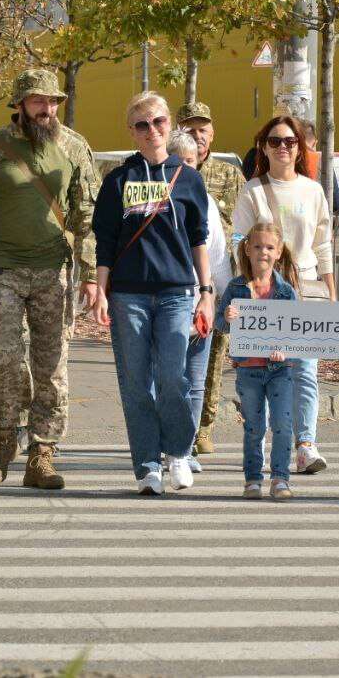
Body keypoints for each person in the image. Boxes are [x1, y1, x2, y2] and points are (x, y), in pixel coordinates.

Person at [0, 69, 99, 490]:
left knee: (52, 366)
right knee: (4, 360)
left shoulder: (74, 147)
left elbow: (87, 215)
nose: (47, 108)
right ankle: (3, 440)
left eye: (53, 101)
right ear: (19, 103)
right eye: (38, 100)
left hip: (54, 271)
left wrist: (89, 273)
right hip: (2, 271)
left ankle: (43, 453)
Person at [91, 91, 212, 496]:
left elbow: (200, 239)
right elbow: (104, 242)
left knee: (173, 376)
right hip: (129, 296)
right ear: (132, 131)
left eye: (158, 122)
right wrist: (102, 292)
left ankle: (178, 451)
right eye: (142, 125)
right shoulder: (118, 180)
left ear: (169, 125)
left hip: (177, 292)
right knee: (136, 383)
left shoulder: (189, 178)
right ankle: (146, 466)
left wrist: (207, 292)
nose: (151, 131)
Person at [233, 115, 335, 474]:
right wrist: (248, 285)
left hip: (306, 288)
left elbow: (323, 244)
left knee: (305, 370)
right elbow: (238, 243)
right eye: (275, 141)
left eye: (290, 142)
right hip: (265, 292)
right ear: (263, 146)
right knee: (264, 371)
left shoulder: (313, 190)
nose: (283, 148)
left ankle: (305, 445)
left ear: (300, 148)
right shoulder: (253, 191)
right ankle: (259, 443)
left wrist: (330, 292)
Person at [175, 101, 243, 458]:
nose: (197, 135)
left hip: (217, 275)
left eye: (203, 129)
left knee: (213, 352)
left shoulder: (229, 175)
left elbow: (243, 224)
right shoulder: (169, 169)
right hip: (176, 278)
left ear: (212, 134)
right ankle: (177, 428)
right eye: (190, 128)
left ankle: (204, 427)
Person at [217, 222, 299, 501]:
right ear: (248, 250)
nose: (263, 252)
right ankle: (253, 479)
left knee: (282, 424)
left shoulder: (286, 291)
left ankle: (280, 479)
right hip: (248, 368)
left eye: (269, 247)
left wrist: (284, 349)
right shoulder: (236, 286)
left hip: (279, 370)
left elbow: (298, 330)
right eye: (257, 246)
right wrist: (226, 318)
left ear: (278, 253)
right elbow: (219, 323)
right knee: (254, 426)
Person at [167, 128, 232, 473]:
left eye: (191, 161)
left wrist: (223, 298)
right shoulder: (158, 199)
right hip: (167, 301)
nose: (186, 168)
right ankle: (167, 446)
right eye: (179, 161)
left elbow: (218, 257)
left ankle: (186, 446)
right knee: (169, 379)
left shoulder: (205, 200)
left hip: (200, 302)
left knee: (195, 381)